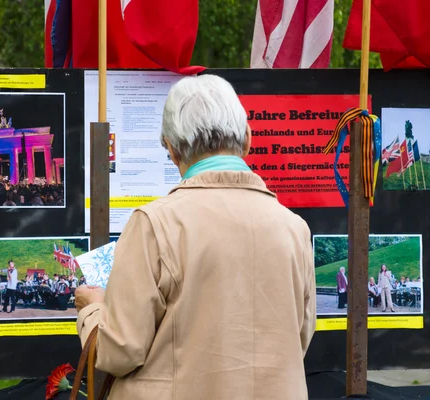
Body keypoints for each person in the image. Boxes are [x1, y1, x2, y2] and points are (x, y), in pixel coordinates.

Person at [75, 75, 316, 400]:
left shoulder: (153, 224)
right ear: (247, 139)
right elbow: (298, 338)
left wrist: (93, 308)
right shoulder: (295, 228)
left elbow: (120, 351)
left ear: (171, 149)